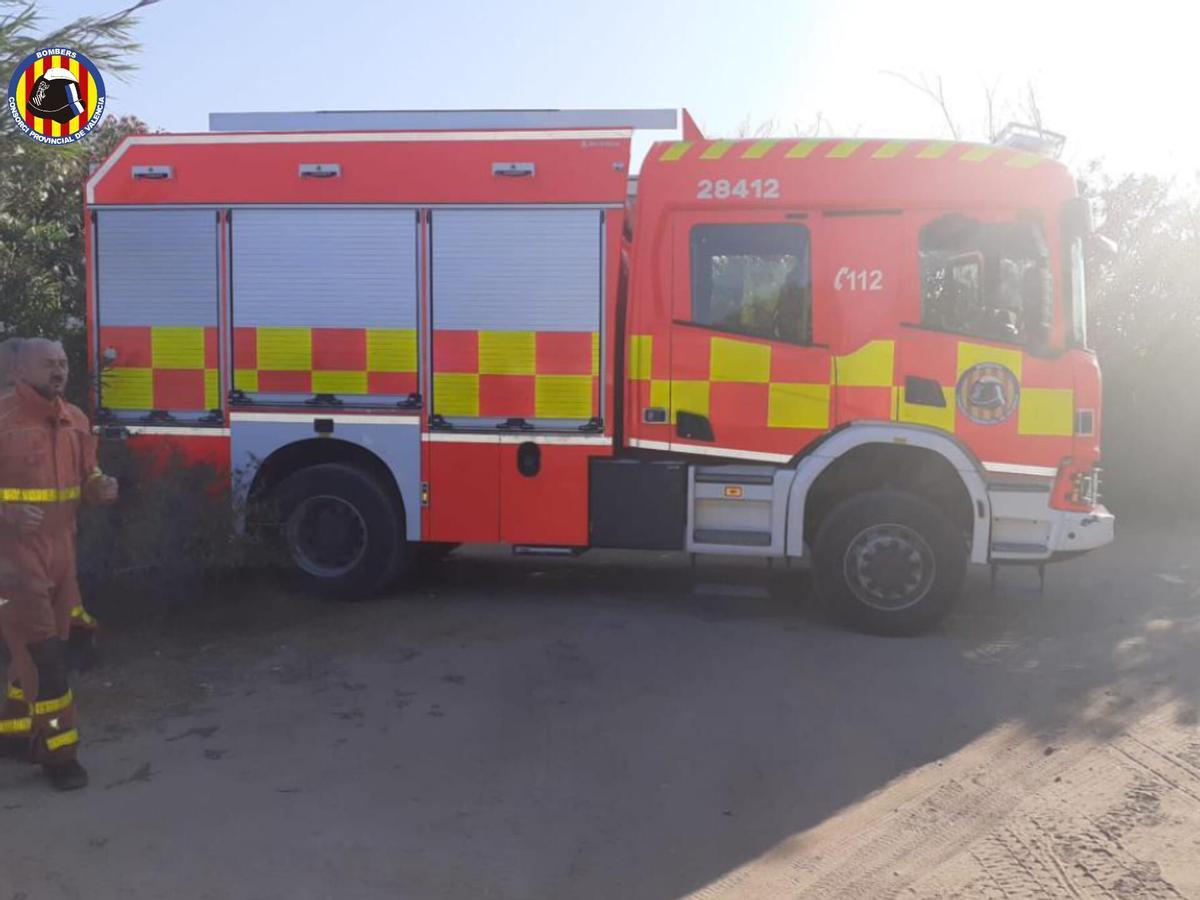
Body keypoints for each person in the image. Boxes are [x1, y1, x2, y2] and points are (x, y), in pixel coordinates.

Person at [0, 338, 118, 790]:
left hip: (62, 554)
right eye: (48, 363)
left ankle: (13, 732)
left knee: (36, 651)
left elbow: (88, 474)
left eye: (63, 362)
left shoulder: (76, 420)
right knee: (45, 659)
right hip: (12, 560)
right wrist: (6, 512)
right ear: (19, 372)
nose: (59, 370)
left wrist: (99, 487)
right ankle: (60, 754)